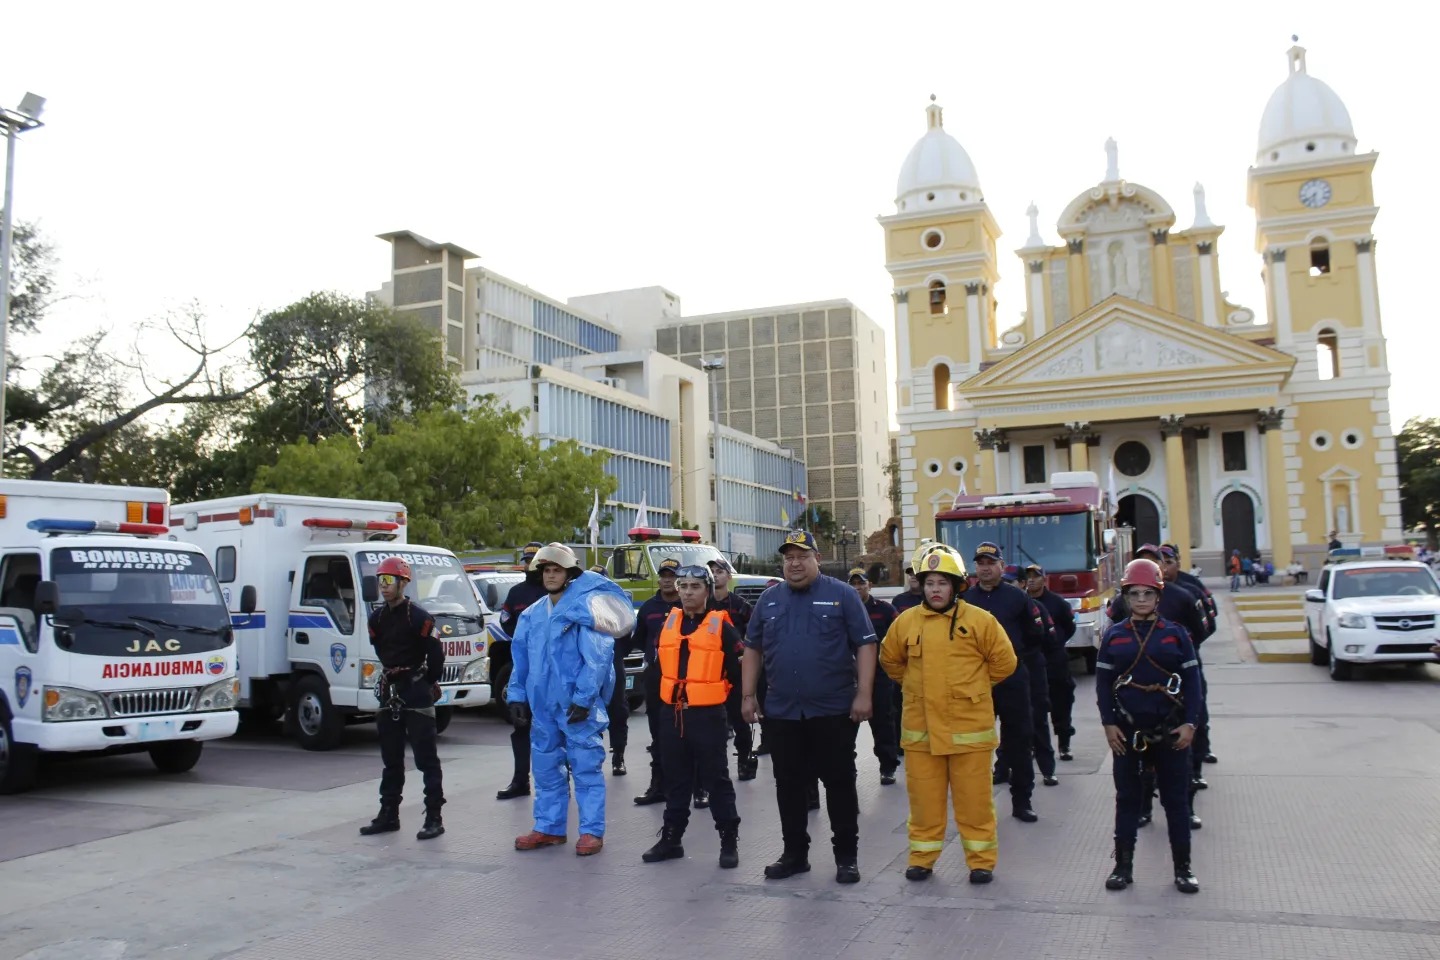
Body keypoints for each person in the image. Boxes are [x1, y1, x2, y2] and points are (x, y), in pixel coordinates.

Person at [742, 528, 876, 885]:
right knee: (788, 785)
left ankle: (846, 857)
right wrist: (748, 695)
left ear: (817, 559)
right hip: (783, 712)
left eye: (802, 556)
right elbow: (752, 648)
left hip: (832, 710)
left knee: (839, 784)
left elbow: (865, 645)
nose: (795, 563)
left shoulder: (843, 595)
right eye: (789, 558)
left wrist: (864, 693)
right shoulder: (769, 600)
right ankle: (795, 854)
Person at [882, 544, 1015, 883]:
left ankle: (981, 861)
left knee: (975, 802)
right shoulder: (906, 622)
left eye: (943, 583)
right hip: (921, 733)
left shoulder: (980, 621)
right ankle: (922, 859)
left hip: (969, 733)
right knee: (924, 803)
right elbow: (891, 661)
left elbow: (1005, 662)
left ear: (957, 587)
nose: (935, 589)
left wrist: (973, 688)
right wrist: (916, 687)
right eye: (929, 583)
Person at [509, 543, 632, 857]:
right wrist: (517, 695)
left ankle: (591, 831)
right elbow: (519, 658)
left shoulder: (583, 610)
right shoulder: (532, 615)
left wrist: (584, 697)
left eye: (556, 570)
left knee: (586, 766)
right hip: (543, 706)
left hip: (578, 705)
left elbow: (598, 657)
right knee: (546, 766)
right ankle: (549, 828)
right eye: (546, 570)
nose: (550, 575)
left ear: (569, 574)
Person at [1096, 558, 1202, 894]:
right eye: (1134, 594)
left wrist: (1190, 723)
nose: (1141, 600)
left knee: (1175, 801)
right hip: (1127, 733)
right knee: (1127, 799)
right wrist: (1108, 725)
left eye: (1147, 593)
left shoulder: (1176, 636)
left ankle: (1183, 869)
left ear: (1159, 596)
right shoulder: (1114, 637)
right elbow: (1102, 685)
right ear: (1125, 597)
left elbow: (1193, 683)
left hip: (1170, 731)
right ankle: (1122, 867)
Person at [641, 565, 744, 868]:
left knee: (716, 781)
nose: (687, 592)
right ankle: (671, 839)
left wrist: (741, 708)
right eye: (683, 586)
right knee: (676, 781)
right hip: (671, 715)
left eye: (695, 586)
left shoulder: (721, 626)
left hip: (708, 716)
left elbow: (739, 671)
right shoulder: (668, 623)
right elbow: (658, 668)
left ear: (707, 591)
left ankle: (728, 841)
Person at [359, 556, 447, 841]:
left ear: (403, 583)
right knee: (391, 759)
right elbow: (381, 650)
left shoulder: (419, 617)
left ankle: (434, 816)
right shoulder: (377, 619)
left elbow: (436, 655)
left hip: (415, 689)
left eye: (388, 581)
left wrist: (426, 682)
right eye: (380, 581)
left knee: (426, 758)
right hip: (390, 691)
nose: (383, 587)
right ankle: (389, 814)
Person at [964, 542, 1051, 819]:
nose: (985, 568)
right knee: (974, 743)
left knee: (1019, 740)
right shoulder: (966, 600)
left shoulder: (1017, 598)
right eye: (981, 563)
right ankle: (976, 804)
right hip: (976, 680)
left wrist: (1015, 658)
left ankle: (1022, 801)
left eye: (991, 563)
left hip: (1012, 678)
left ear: (1002, 566)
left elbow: (1035, 635)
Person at [496, 542, 547, 801]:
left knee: (555, 729)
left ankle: (560, 780)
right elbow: (506, 621)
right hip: (524, 665)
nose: (530, 565)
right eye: (527, 560)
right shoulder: (516, 592)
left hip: (552, 670)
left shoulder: (555, 590)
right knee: (521, 726)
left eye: (535, 560)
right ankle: (520, 780)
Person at [632, 559, 683, 806]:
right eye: (663, 575)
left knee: (689, 732)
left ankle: (697, 787)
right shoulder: (649, 607)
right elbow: (638, 638)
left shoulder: (689, 604)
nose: (666, 579)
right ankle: (658, 786)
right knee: (658, 733)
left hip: (685, 679)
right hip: (657, 676)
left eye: (671, 575)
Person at [848, 567, 901, 784]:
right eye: (853, 584)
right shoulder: (843, 609)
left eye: (861, 583)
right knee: (846, 727)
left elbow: (899, 638)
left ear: (870, 585)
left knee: (883, 723)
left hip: (880, 677)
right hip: (849, 678)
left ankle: (887, 767)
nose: (858, 587)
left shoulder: (886, 610)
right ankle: (847, 768)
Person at [1022, 564, 1077, 762]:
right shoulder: (1022, 602)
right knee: (1034, 708)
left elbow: (1070, 627)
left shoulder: (1057, 603)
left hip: (1055, 663)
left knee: (1061, 704)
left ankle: (1064, 744)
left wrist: (1056, 643)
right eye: (1027, 577)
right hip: (1032, 663)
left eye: (1035, 576)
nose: (1031, 580)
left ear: (1043, 579)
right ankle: (1035, 746)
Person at [709, 557, 757, 780]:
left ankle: (744, 762)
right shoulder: (704, 605)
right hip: (709, 674)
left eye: (720, 571)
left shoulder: (739, 605)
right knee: (712, 725)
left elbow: (755, 635)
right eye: (712, 572)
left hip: (735, 673)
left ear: (728, 576)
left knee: (740, 721)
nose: (716, 575)